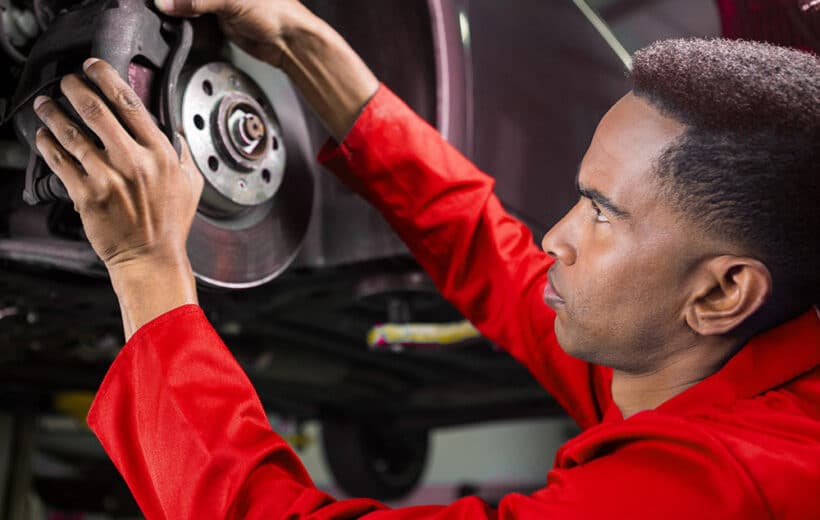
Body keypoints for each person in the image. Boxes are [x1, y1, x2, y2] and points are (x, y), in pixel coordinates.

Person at [30, 0, 819, 518]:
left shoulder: (717, 490)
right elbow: (489, 249)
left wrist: (145, 265)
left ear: (722, 292)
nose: (555, 237)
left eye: (603, 215)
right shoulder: (702, 358)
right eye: (582, 195)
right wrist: (299, 39)